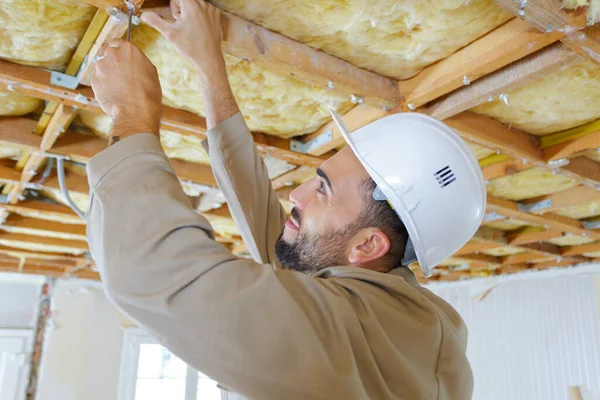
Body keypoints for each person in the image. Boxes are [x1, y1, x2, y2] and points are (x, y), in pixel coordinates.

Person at [88, 0, 485, 398]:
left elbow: (148, 270)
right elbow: (282, 247)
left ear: (367, 244)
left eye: (323, 190)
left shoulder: (355, 333)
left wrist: (133, 113)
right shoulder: (378, 309)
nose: (296, 193)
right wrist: (210, 67)